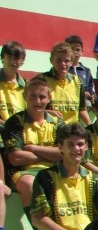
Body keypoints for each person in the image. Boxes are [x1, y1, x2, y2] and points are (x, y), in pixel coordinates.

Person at [3, 76, 64, 211]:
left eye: (42, 97)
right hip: (24, 172)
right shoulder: (15, 122)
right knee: (29, 184)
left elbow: (64, 154)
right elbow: (15, 158)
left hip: (54, 170)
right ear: (25, 97)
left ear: (49, 98)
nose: (37, 101)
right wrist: (48, 153)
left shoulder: (58, 122)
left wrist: (33, 148)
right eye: (33, 96)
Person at [41, 42, 90, 125]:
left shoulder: (78, 81)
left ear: (71, 62)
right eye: (59, 60)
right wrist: (46, 113)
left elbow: (82, 110)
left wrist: (91, 128)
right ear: (51, 60)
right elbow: (32, 109)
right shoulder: (42, 80)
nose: (63, 64)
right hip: (51, 130)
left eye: (66, 60)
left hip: (72, 133)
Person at [64, 35, 96, 109]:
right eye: (72, 49)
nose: (75, 52)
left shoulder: (86, 71)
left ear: (82, 52)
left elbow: (91, 88)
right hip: (69, 100)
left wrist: (92, 96)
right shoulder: (64, 69)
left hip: (85, 101)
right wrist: (81, 93)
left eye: (78, 50)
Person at [0, 40, 27, 127]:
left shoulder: (27, 86)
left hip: (18, 135)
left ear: (22, 62)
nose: (12, 62)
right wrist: (7, 126)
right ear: (2, 59)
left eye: (16, 58)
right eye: (9, 58)